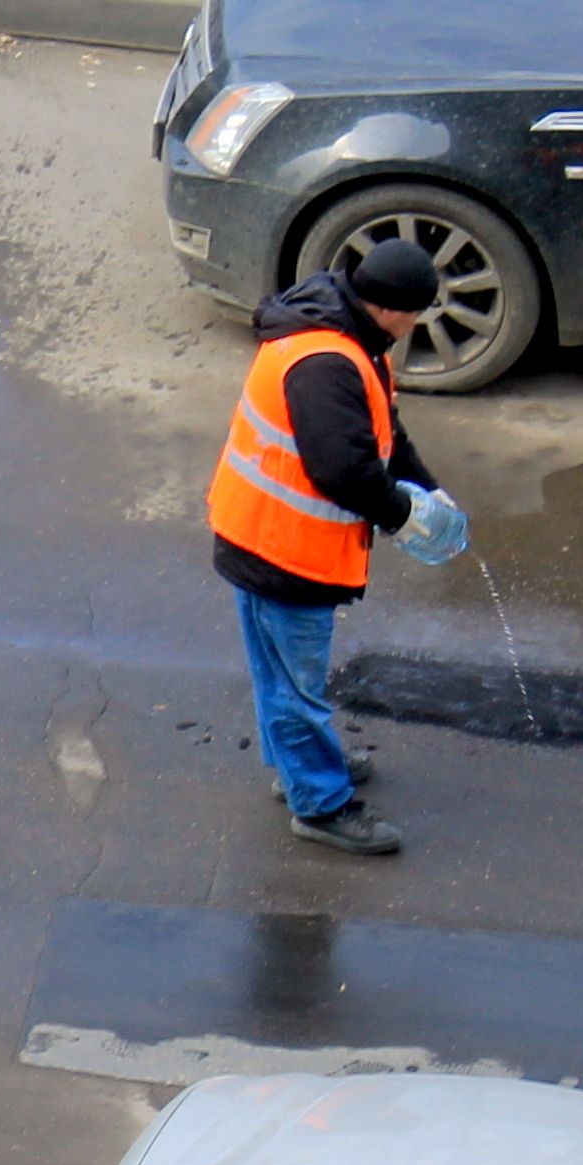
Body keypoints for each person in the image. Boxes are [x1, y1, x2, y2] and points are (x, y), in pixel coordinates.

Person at [207, 235, 471, 856]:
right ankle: (321, 806)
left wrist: (429, 488)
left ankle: (300, 768)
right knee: (296, 685)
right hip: (283, 552)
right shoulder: (328, 362)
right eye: (415, 315)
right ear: (393, 309)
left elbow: (383, 432)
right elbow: (343, 470)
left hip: (259, 532)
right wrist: (405, 515)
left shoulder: (347, 337)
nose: (413, 327)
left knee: (279, 675)